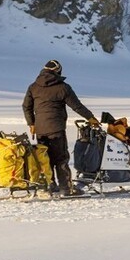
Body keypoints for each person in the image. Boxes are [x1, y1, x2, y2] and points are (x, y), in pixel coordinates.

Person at [23, 60, 100, 195]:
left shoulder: (33, 87)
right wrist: (90, 118)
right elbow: (77, 106)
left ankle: (49, 186)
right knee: (61, 158)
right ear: (58, 71)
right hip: (56, 128)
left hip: (40, 130)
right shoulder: (63, 87)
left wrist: (32, 124)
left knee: (45, 158)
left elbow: (26, 107)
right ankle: (66, 188)